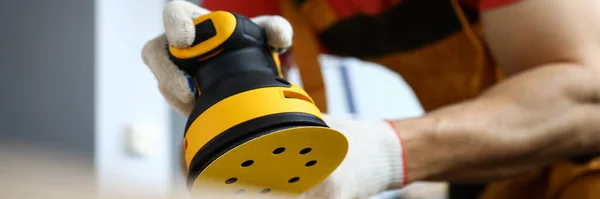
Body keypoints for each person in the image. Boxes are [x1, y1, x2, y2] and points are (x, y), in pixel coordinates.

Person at [141, 0, 600, 198]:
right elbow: (226, 166)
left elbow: (586, 97)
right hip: (485, 178)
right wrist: (211, 75)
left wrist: (378, 152)